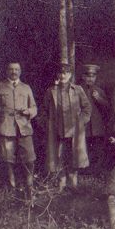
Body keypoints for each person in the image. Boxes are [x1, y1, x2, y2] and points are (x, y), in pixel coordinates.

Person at [0, 61, 37, 194]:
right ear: (6, 71)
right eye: (11, 69)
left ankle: (29, 187)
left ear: (20, 71)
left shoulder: (26, 87)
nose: (14, 72)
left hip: (24, 127)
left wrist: (30, 111)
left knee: (29, 158)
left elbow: (34, 107)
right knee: (7, 159)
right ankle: (12, 187)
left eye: (17, 69)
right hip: (6, 127)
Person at [43, 62, 92, 192]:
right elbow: (44, 111)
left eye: (65, 73)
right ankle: (61, 184)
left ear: (70, 75)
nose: (63, 75)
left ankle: (73, 185)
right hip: (57, 131)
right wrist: (48, 125)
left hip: (74, 132)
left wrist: (81, 122)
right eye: (60, 72)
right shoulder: (51, 91)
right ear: (57, 75)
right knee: (58, 157)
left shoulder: (78, 90)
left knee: (74, 156)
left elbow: (87, 108)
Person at [80, 64, 109, 172]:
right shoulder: (78, 90)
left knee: (98, 150)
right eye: (88, 76)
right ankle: (84, 171)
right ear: (83, 77)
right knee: (84, 149)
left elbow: (107, 107)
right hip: (84, 126)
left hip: (97, 127)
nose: (90, 79)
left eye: (93, 76)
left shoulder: (99, 91)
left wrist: (99, 99)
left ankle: (96, 171)